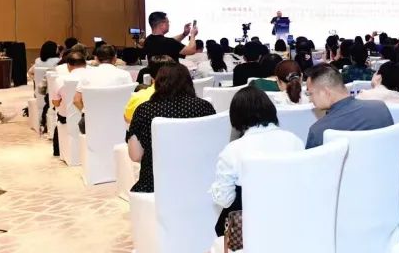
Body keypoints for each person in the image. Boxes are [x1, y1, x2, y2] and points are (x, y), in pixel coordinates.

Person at [209, 86, 303, 237]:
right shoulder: (294, 140)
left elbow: (225, 200)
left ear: (236, 117)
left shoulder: (233, 151)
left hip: (249, 231)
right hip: (292, 222)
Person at [127, 64, 216, 193]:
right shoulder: (204, 107)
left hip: (154, 185)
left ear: (157, 83)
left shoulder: (144, 110)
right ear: (189, 82)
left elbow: (135, 156)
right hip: (199, 181)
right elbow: (213, 147)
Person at [304, 64, 393, 149]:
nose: (310, 99)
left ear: (325, 92)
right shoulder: (380, 108)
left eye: (310, 93)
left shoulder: (319, 132)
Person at [73, 44, 133, 111]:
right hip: (119, 116)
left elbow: (76, 100)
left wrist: (85, 113)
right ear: (115, 58)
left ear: (96, 59)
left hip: (93, 117)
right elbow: (131, 100)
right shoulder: (125, 74)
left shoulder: (86, 74)